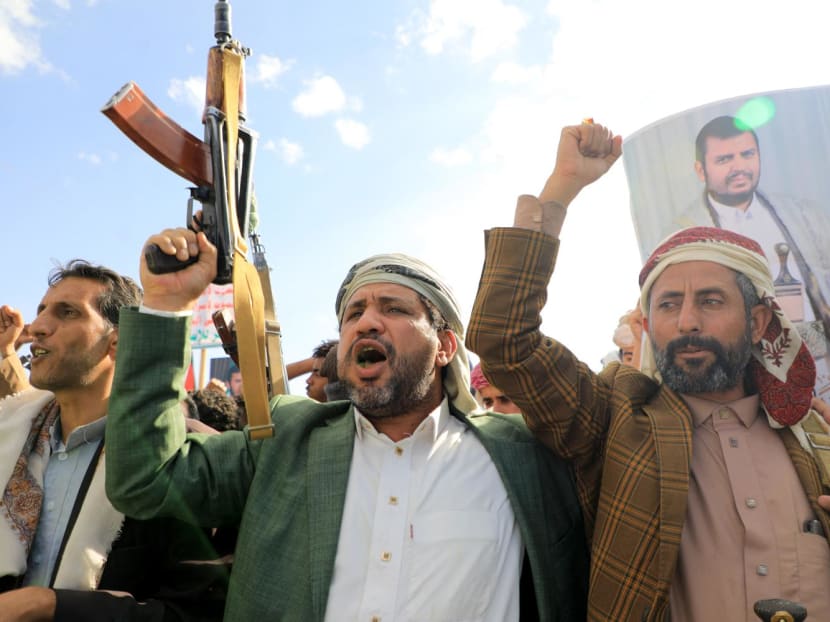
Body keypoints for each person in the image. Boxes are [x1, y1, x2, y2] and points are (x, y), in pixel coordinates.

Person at [103, 230, 589, 621]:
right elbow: (145, 479)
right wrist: (166, 308)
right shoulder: (286, 439)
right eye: (353, 313)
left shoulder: (522, 454)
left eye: (394, 309)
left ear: (444, 346)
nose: (366, 323)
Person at [467, 121, 830, 621]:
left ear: (759, 321)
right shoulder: (618, 421)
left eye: (710, 301)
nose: (686, 322)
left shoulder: (813, 434)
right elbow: (504, 338)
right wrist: (562, 190)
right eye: (667, 305)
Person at [0, 261, 226, 621]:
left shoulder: (182, 460)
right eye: (42, 310)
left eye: (67, 312)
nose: (39, 327)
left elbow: (196, 611)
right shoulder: (10, 439)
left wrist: (52, 606)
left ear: (117, 342)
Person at [675, 115, 830, 397]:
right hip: (750, 387)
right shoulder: (685, 233)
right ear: (701, 170)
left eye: (747, 154)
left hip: (822, 369)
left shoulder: (801, 215)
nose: (739, 167)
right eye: (724, 160)